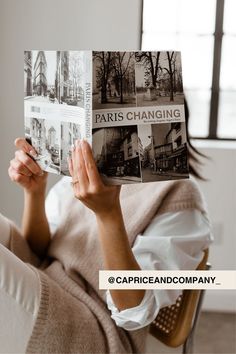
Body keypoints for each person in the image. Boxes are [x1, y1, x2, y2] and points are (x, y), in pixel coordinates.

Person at [0, 102, 213, 354]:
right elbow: (39, 253)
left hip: (91, 326)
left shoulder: (178, 194)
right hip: (47, 283)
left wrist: (108, 214)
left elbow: (135, 312)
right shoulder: (86, 175)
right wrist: (34, 192)